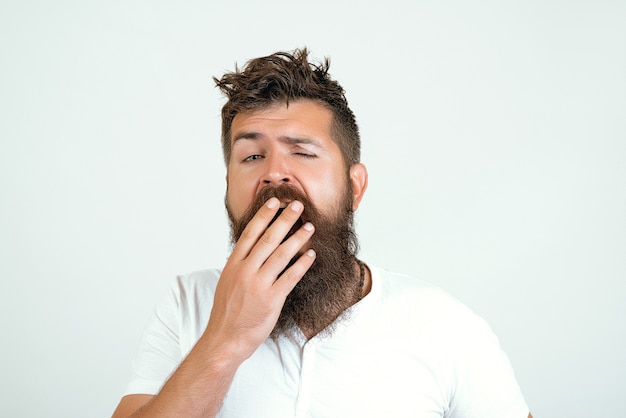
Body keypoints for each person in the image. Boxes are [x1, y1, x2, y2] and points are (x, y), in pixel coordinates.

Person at [112, 48, 532, 418]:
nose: (274, 172)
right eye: (252, 155)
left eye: (303, 152)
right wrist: (225, 340)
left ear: (355, 187)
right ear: (227, 189)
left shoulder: (447, 326)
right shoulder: (187, 304)